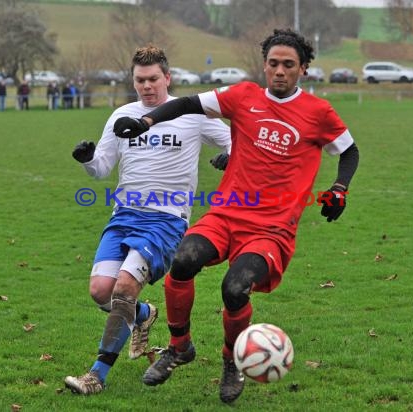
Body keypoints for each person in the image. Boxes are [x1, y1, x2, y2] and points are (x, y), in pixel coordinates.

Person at [113, 28, 360, 404]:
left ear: (303, 69)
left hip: (271, 229)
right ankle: (180, 348)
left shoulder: (318, 113)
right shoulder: (243, 96)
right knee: (183, 261)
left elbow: (349, 152)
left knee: (234, 288)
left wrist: (339, 189)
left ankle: (232, 362)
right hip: (226, 215)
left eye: (288, 65)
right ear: (265, 65)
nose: (279, 71)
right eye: (273, 63)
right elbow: (187, 104)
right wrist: (147, 123)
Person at [63, 45, 231, 395]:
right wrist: (86, 158)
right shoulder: (122, 116)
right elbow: (102, 170)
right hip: (123, 215)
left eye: (153, 78)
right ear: (133, 81)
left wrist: (229, 155)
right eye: (140, 80)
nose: (147, 86)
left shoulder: (192, 115)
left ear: (167, 78)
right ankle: (142, 315)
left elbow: (235, 140)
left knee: (123, 287)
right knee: (100, 292)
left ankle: (96, 375)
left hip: (165, 219)